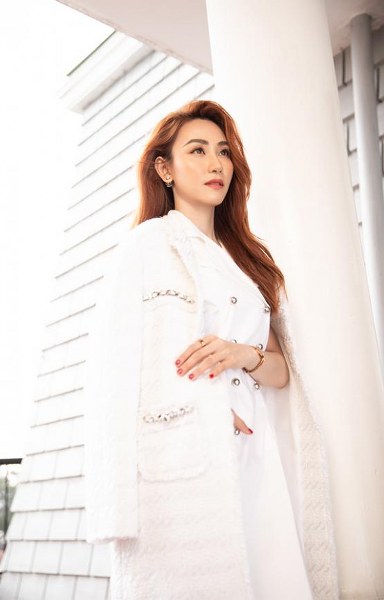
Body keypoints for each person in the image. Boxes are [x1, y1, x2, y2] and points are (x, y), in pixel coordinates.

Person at [83, 100, 339, 600]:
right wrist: (206, 411)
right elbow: (112, 372)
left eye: (223, 152)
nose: (215, 163)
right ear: (165, 169)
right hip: (186, 461)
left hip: (258, 455)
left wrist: (241, 354)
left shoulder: (247, 259)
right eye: (197, 151)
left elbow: (282, 372)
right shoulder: (145, 246)